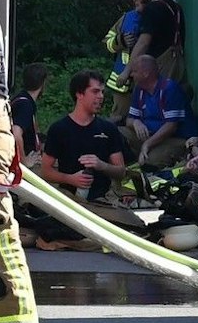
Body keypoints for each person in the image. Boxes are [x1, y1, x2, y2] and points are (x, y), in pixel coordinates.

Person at [37, 70, 140, 242]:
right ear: (79, 94)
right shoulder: (59, 129)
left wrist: (102, 165)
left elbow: (121, 171)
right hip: (69, 199)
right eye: (95, 91)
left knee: (133, 225)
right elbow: (46, 171)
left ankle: (87, 233)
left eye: (102, 92)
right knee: (48, 225)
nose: (100, 97)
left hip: (101, 200)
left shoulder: (108, 129)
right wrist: (70, 179)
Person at [123, 52, 190, 171]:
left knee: (150, 162)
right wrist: (136, 122)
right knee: (118, 133)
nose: (131, 75)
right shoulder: (139, 89)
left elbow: (171, 126)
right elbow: (129, 119)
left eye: (134, 71)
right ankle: (129, 164)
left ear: (146, 73)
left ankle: (145, 161)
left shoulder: (169, 88)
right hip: (148, 136)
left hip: (172, 139)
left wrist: (147, 144)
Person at [130, 0, 187, 88]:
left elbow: (143, 43)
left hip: (158, 67)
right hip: (178, 63)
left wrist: (127, 71)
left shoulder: (152, 9)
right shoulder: (175, 7)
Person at [103, 0, 143, 124]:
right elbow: (107, 41)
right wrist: (121, 41)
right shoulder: (127, 18)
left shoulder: (155, 17)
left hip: (145, 81)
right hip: (122, 85)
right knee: (117, 122)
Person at [11, 62, 50, 161]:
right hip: (23, 166)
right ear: (43, 83)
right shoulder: (25, 105)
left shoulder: (20, 99)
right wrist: (24, 161)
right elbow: (16, 133)